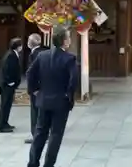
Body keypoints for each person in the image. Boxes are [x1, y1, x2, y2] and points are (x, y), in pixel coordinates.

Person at [27, 27, 78, 167]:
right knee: (56, 134)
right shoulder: (70, 59)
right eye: (68, 37)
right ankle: (48, 164)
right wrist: (69, 95)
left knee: (40, 133)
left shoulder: (42, 55)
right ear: (65, 41)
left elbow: (30, 73)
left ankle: (32, 162)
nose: (70, 40)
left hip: (43, 100)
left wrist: (34, 90)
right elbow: (73, 80)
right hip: (61, 102)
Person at [25, 33, 47, 144]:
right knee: (41, 112)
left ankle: (36, 135)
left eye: (29, 40)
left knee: (35, 112)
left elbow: (32, 73)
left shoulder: (36, 54)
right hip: (42, 87)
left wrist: (33, 89)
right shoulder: (42, 52)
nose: (28, 42)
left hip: (36, 89)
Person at [0, 37, 22, 133]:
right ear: (17, 46)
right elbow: (6, 69)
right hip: (8, 85)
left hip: (10, 84)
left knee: (8, 104)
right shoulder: (11, 55)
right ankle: (2, 125)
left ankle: (5, 122)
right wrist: (10, 82)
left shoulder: (12, 54)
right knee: (5, 105)